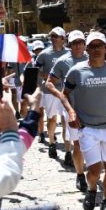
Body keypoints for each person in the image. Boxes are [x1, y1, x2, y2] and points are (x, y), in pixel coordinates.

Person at [60, 32, 106, 210]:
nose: (97, 49)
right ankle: (91, 191)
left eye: (100, 45)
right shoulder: (76, 71)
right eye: (93, 46)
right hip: (87, 128)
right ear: (87, 49)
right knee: (95, 170)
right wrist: (71, 112)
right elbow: (64, 94)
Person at [47, 30, 89, 191]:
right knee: (77, 144)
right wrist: (61, 95)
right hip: (72, 109)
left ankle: (92, 172)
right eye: (75, 43)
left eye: (81, 42)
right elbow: (49, 83)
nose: (78, 46)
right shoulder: (62, 61)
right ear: (69, 45)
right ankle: (80, 175)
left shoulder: (92, 58)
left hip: (92, 109)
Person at [36, 27, 68, 159]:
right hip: (50, 92)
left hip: (66, 91)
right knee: (52, 118)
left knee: (66, 120)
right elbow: (35, 68)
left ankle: (68, 150)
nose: (53, 39)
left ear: (63, 39)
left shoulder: (69, 54)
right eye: (52, 36)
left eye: (56, 36)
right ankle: (51, 143)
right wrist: (43, 75)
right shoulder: (44, 54)